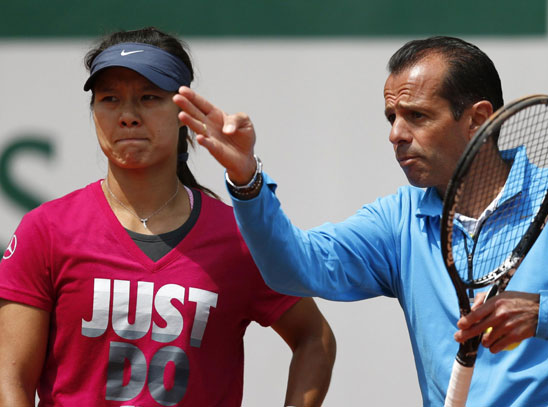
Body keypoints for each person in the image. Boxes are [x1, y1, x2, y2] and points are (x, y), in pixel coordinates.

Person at [173, 36, 548, 406]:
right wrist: (246, 179)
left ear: (477, 119)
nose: (395, 134)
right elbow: (294, 269)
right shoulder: (398, 220)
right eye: (391, 118)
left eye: (416, 116)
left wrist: (547, 312)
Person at [0, 27, 336, 407]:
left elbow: (315, 338)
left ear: (184, 112)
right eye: (110, 98)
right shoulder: (47, 230)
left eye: (149, 97)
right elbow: (10, 380)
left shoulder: (238, 238)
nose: (127, 116)